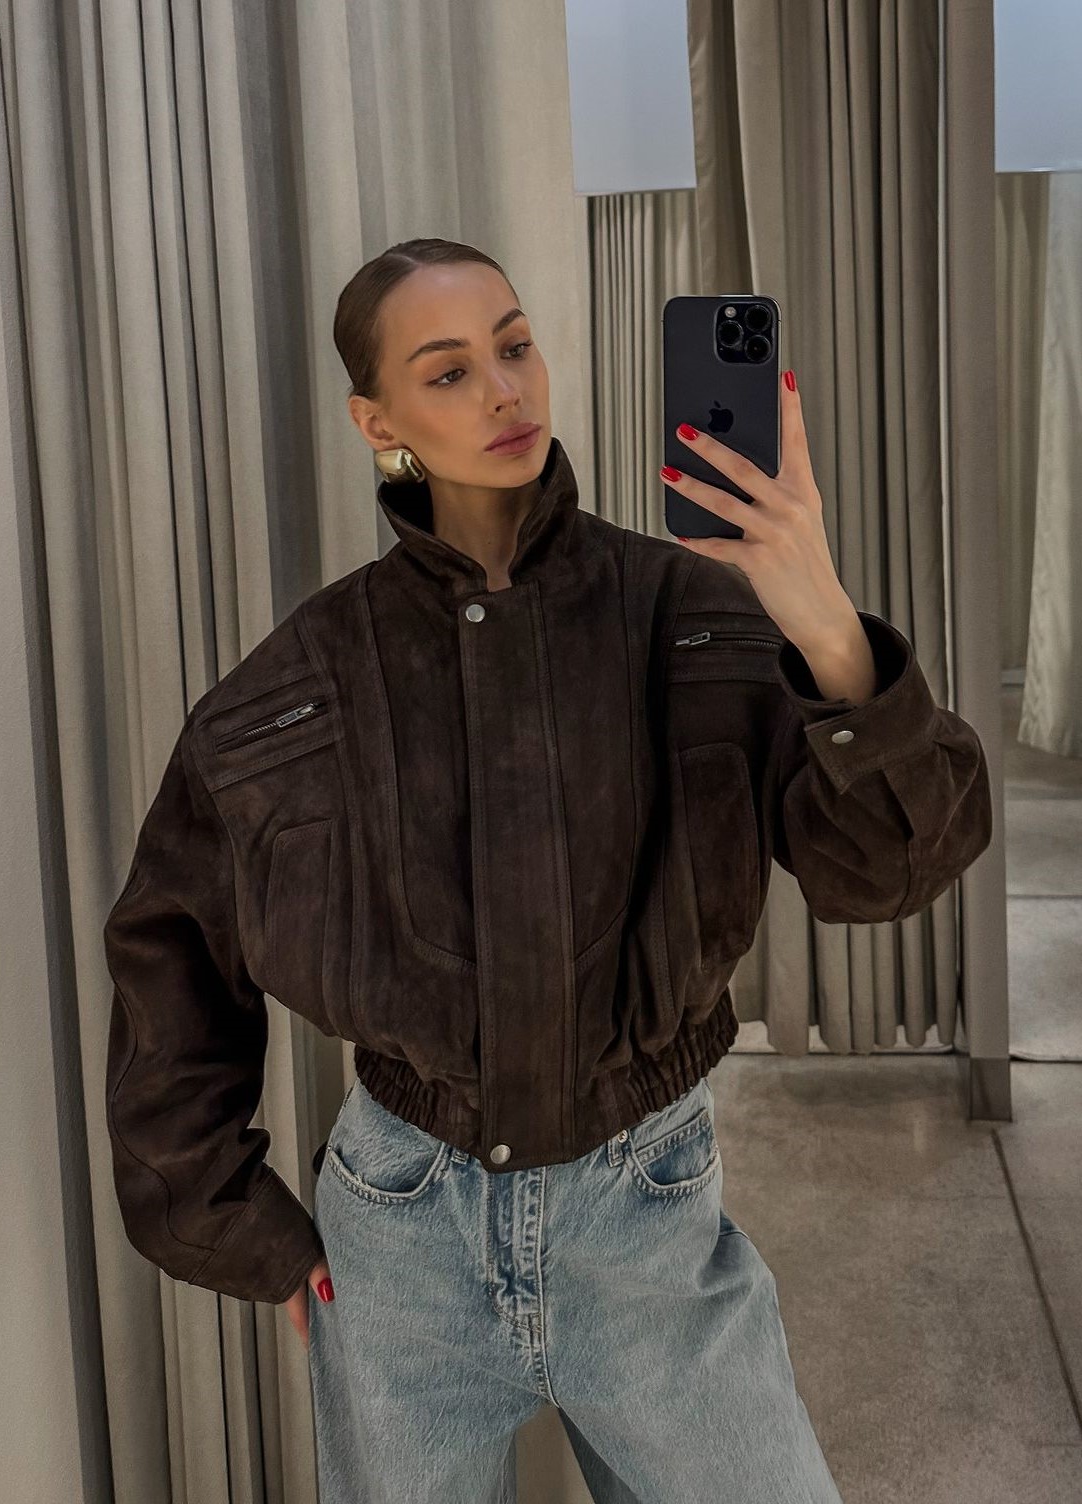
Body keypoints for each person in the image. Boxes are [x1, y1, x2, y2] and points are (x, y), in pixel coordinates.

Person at [104, 238, 993, 1502]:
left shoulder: (693, 610)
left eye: (514, 346)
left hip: (649, 1218)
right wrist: (233, 1219)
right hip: (401, 1239)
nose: (505, 389)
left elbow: (894, 870)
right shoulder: (308, 677)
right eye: (449, 371)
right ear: (378, 422)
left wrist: (821, 616)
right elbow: (169, 946)